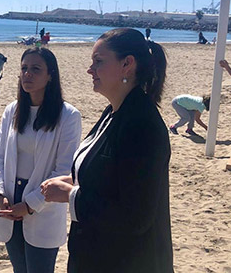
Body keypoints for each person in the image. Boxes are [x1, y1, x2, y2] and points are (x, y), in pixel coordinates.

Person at [41, 28, 173, 272]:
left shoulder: (141, 124)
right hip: (99, 255)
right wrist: (75, 178)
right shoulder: (115, 111)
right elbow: (113, 175)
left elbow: (136, 217)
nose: (90, 70)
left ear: (127, 65)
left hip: (126, 261)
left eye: (98, 62)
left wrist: (70, 195)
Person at [0, 47, 82, 273]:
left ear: (50, 75)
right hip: (10, 202)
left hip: (43, 204)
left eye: (35, 69)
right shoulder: (13, 110)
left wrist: (30, 205)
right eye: (24, 69)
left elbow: (64, 170)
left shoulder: (68, 116)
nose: (27, 74)